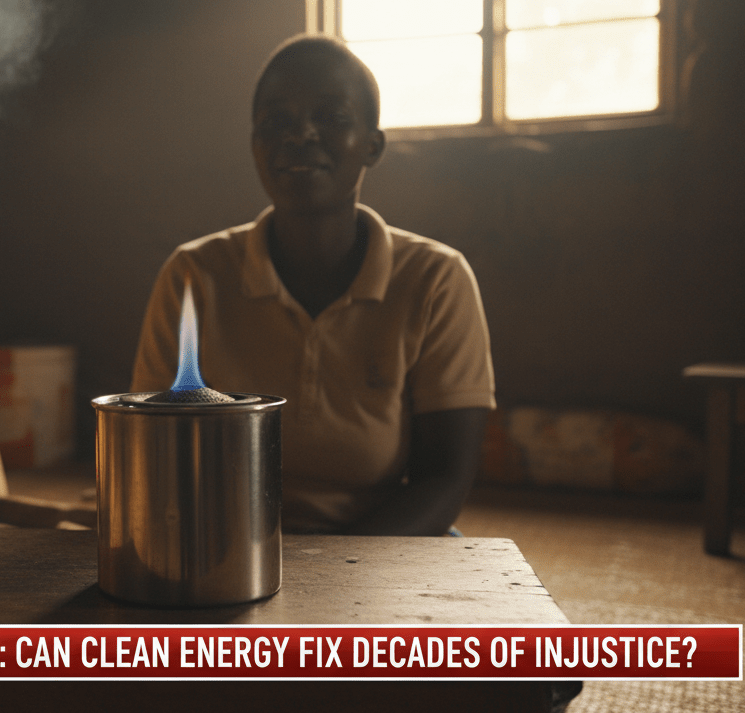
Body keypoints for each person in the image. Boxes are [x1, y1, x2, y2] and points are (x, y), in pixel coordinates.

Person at [130, 35, 495, 535]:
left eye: (332, 117)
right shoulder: (194, 275)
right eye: (276, 121)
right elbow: (154, 452)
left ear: (373, 146)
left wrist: (332, 570)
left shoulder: (435, 280)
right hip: (224, 540)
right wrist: (235, 558)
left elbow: (445, 480)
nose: (300, 134)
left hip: (382, 544)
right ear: (255, 146)